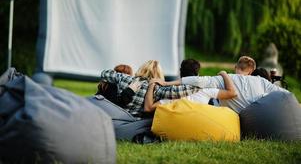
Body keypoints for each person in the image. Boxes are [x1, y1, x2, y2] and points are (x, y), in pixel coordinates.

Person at [155, 57, 289, 114]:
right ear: (252, 71)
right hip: (264, 117)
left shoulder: (224, 79)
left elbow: (197, 81)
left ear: (236, 66)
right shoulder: (262, 81)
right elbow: (284, 94)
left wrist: (166, 82)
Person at [99, 60, 201, 117]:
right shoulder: (158, 90)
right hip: (134, 121)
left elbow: (105, 73)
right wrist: (166, 83)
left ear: (142, 68)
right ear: (159, 74)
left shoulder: (125, 78)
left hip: (114, 115)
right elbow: (187, 89)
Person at [144, 70, 236, 112]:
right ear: (198, 75)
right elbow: (232, 93)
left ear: (180, 73)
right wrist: (224, 74)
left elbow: (148, 108)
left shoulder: (170, 98)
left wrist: (152, 84)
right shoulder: (204, 91)